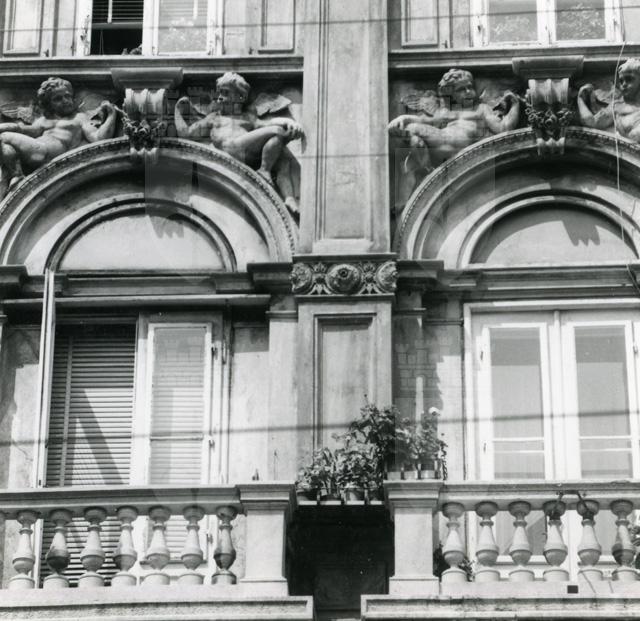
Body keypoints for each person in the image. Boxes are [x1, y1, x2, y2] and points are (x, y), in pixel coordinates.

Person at [175, 72, 303, 215]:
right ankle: (264, 171)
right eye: (219, 93)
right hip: (231, 147)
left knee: (281, 155)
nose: (219, 97)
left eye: (225, 93)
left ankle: (289, 198)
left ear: (240, 97)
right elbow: (188, 134)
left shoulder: (247, 117)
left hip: (247, 152)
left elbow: (266, 124)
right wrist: (177, 113)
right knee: (278, 131)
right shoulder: (215, 118)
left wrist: (288, 121)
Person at [388, 68, 520, 173]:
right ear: (452, 94)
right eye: (461, 89)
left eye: (470, 87)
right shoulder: (446, 112)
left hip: (462, 149)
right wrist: (403, 118)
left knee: (413, 131)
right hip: (440, 141)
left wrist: (515, 104)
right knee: (411, 130)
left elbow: (504, 129)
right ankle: (425, 168)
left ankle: (424, 167)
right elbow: (426, 121)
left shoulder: (481, 109)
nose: (468, 91)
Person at [0, 77, 117, 192]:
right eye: (58, 99)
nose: (65, 101)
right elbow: (22, 130)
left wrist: (111, 114)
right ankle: (16, 175)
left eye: (67, 96)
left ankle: (17, 176)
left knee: (4, 137)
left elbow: (99, 138)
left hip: (46, 153)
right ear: (49, 104)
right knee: (5, 141)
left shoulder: (79, 118)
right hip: (37, 150)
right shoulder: (42, 121)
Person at [577, 58, 640, 142]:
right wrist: (580, 99)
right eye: (621, 81)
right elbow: (591, 122)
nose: (624, 84)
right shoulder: (617, 107)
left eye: (629, 79)